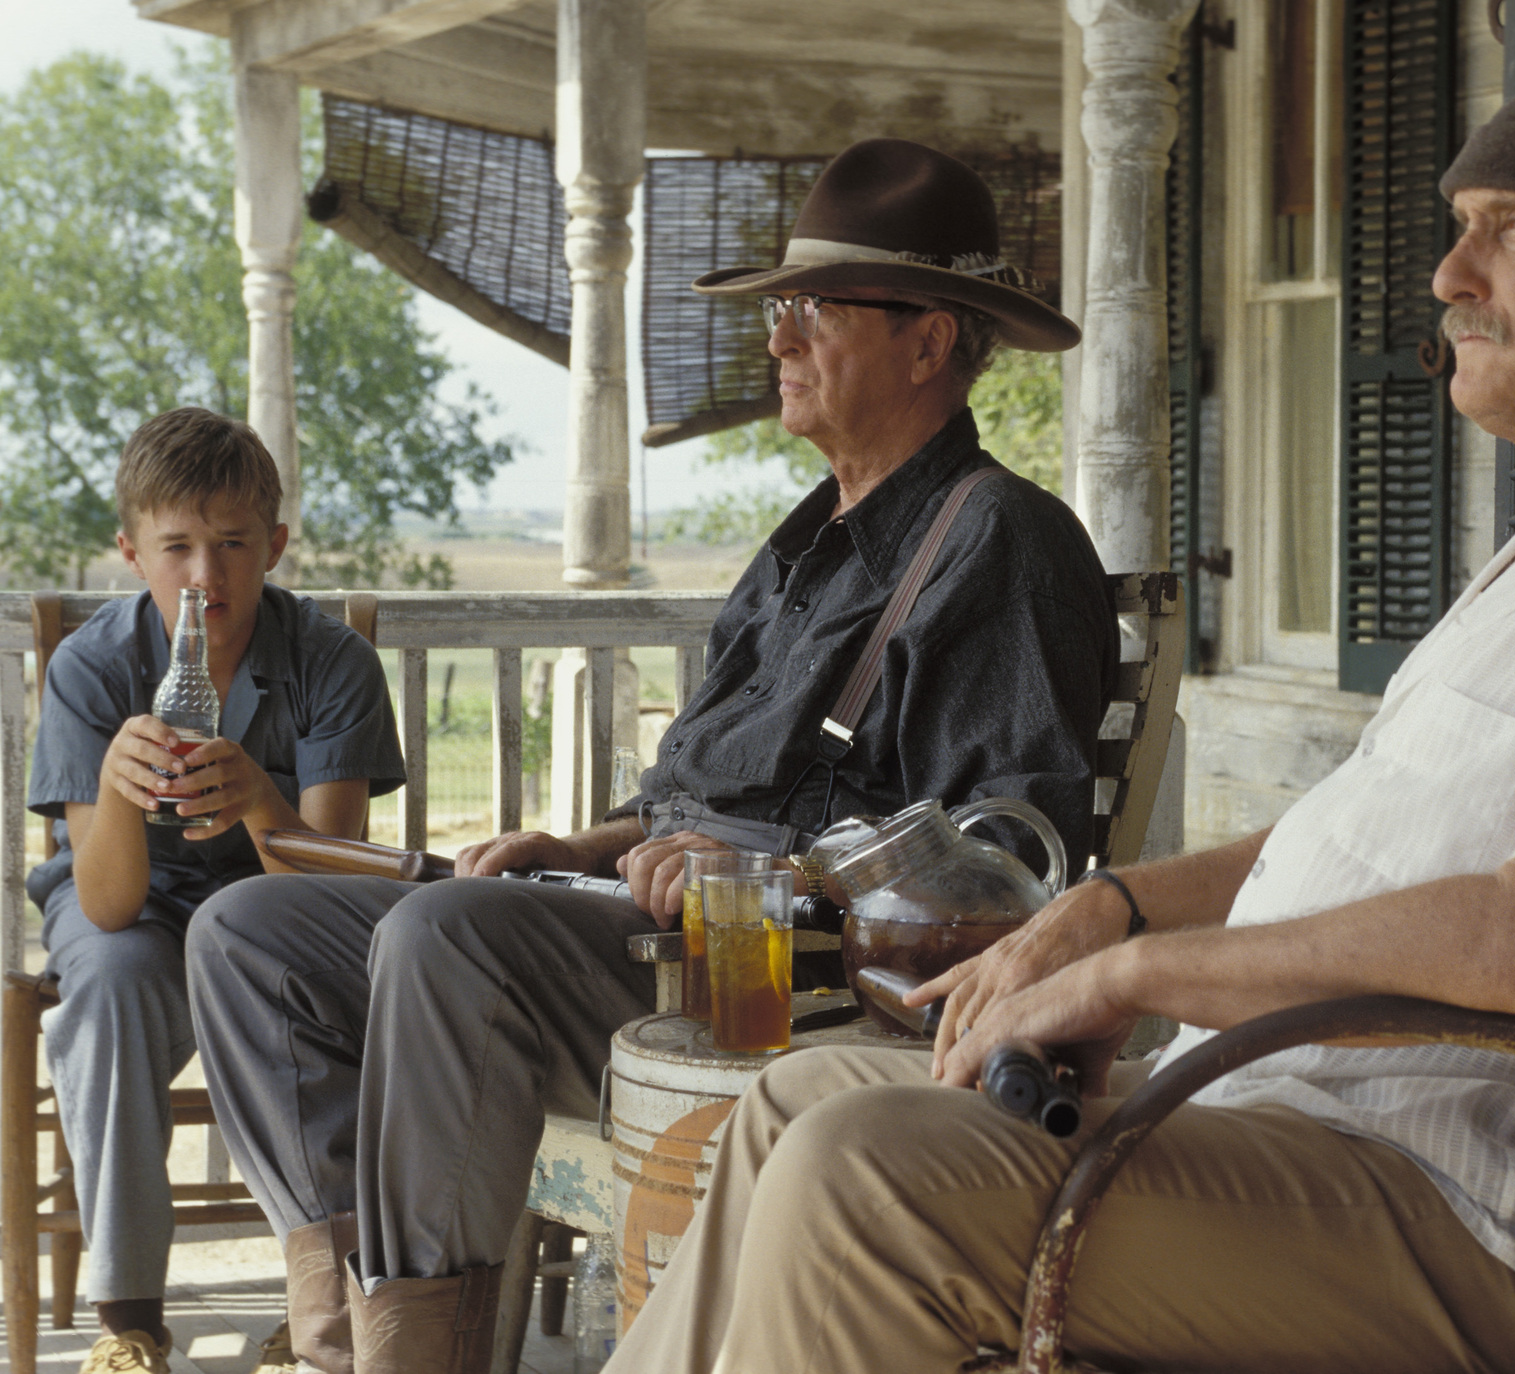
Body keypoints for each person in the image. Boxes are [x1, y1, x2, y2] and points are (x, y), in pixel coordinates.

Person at [604, 40, 1515, 1374]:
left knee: (867, 1175)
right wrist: (1107, 908)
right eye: (1460, 233)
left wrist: (1134, 973)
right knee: (797, 1101)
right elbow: (1342, 850)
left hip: (1486, 1218)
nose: (1450, 277)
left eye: (1514, 233)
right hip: (1305, 1127)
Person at [185, 138, 1115, 1374]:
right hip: (648, 929)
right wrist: (577, 847)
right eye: (780, 310)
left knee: (442, 937)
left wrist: (764, 874)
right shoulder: (801, 547)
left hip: (795, 983)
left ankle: (422, 1360)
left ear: (927, 340)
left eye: (810, 312)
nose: (776, 341)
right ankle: (346, 1336)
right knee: (247, 933)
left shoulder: (1001, 541)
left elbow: (1008, 860)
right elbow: (699, 783)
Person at [24, 408, 405, 1374]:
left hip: (276, 907)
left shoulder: (333, 662)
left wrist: (263, 803)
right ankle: (130, 1319)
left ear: (275, 545)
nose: (206, 576)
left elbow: (328, 886)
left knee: (306, 968)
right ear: (130, 552)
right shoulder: (91, 668)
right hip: (132, 909)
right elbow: (104, 907)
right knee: (107, 983)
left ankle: (318, 1302)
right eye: (178, 548)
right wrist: (116, 783)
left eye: (234, 544)